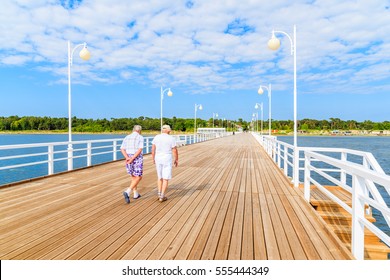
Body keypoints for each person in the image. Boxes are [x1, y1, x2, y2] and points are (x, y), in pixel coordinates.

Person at [151, 124, 178, 202]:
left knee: (160, 177)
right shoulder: (171, 138)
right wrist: (176, 159)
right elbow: (174, 150)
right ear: (168, 130)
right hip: (167, 158)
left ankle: (159, 193)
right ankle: (162, 196)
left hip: (158, 158)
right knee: (165, 178)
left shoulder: (156, 137)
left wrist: (153, 158)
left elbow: (153, 149)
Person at [120, 125, 144, 204]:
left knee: (133, 176)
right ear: (139, 130)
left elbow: (122, 149)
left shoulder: (127, 137)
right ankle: (128, 191)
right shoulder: (140, 137)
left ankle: (135, 194)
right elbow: (140, 149)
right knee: (138, 176)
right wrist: (133, 158)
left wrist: (127, 157)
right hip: (136, 157)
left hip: (128, 157)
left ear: (133, 130)